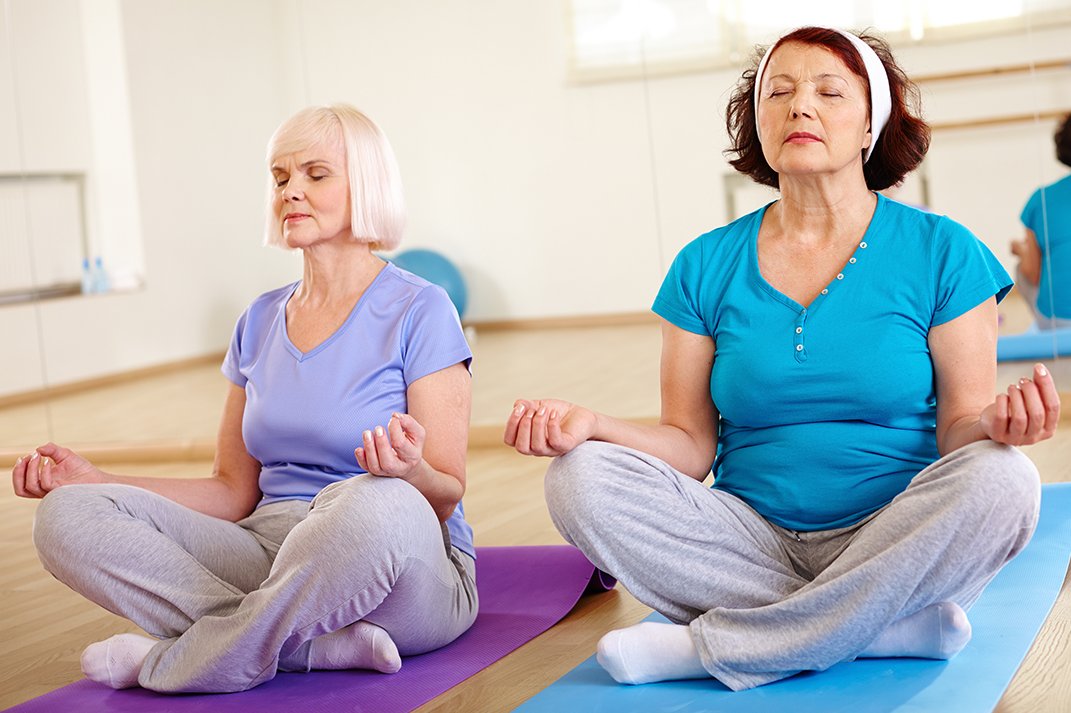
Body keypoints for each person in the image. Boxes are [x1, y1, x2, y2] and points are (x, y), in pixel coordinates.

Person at [504, 27, 1061, 691]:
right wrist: (591, 424)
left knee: (1005, 478)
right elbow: (687, 444)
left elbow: (958, 429)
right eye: (779, 92)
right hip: (750, 539)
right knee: (576, 477)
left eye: (829, 92)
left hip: (892, 531)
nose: (801, 107)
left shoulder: (943, 250)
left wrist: (998, 426)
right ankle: (875, 626)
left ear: (869, 127)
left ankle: (717, 645)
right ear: (758, 125)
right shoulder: (703, 264)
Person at [11, 104, 478, 693]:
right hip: (268, 550)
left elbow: (444, 496)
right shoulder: (258, 320)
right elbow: (233, 490)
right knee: (66, 515)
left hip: (399, 561)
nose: (292, 192)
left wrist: (410, 472)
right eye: (281, 178)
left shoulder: (422, 308)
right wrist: (97, 479)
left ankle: (190, 660)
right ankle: (307, 649)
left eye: (315, 174)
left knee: (370, 503)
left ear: (366, 184)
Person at [1011, 113, 1071, 329]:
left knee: (1021, 267)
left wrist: (1020, 250)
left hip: (1058, 320)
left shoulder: (1041, 198)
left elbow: (1032, 272)